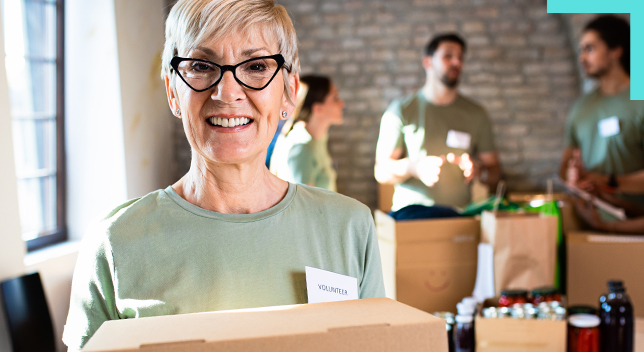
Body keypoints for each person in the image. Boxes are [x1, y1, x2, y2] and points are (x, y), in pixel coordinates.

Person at [62, 1, 385, 350]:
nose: (227, 92)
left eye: (257, 66)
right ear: (173, 92)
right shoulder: (114, 244)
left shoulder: (350, 228)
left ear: (289, 93)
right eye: (201, 66)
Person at [375, 33, 500, 212]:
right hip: (410, 217)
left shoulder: (476, 114)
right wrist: (413, 167)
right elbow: (381, 172)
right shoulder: (401, 110)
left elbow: (494, 172)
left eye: (460, 58)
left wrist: (478, 170)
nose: (456, 63)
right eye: (448, 56)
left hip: (459, 218)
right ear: (428, 62)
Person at [559, 15, 644, 208]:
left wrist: (608, 182)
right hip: (591, 219)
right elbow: (564, 165)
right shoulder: (581, 107)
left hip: (637, 224)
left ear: (616, 50)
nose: (582, 57)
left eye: (590, 48)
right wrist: (573, 177)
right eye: (581, 50)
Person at [270, 74, 343, 191]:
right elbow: (304, 205)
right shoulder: (301, 148)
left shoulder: (318, 140)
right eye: (335, 98)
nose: (341, 103)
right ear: (318, 108)